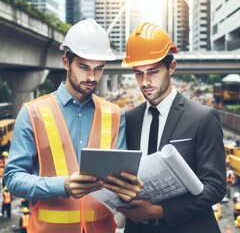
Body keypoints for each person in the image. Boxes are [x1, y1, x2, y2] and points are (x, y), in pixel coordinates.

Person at [4, 18, 142, 233]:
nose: (91, 76)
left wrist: (128, 188)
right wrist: (62, 186)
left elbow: (121, 178)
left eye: (99, 69)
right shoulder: (33, 113)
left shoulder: (115, 115)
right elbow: (13, 178)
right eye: (84, 67)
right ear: (66, 62)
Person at [117, 22, 227, 233]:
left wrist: (160, 210)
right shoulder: (129, 119)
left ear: (172, 67)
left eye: (153, 72)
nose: (145, 82)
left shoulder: (203, 118)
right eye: (138, 73)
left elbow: (216, 187)